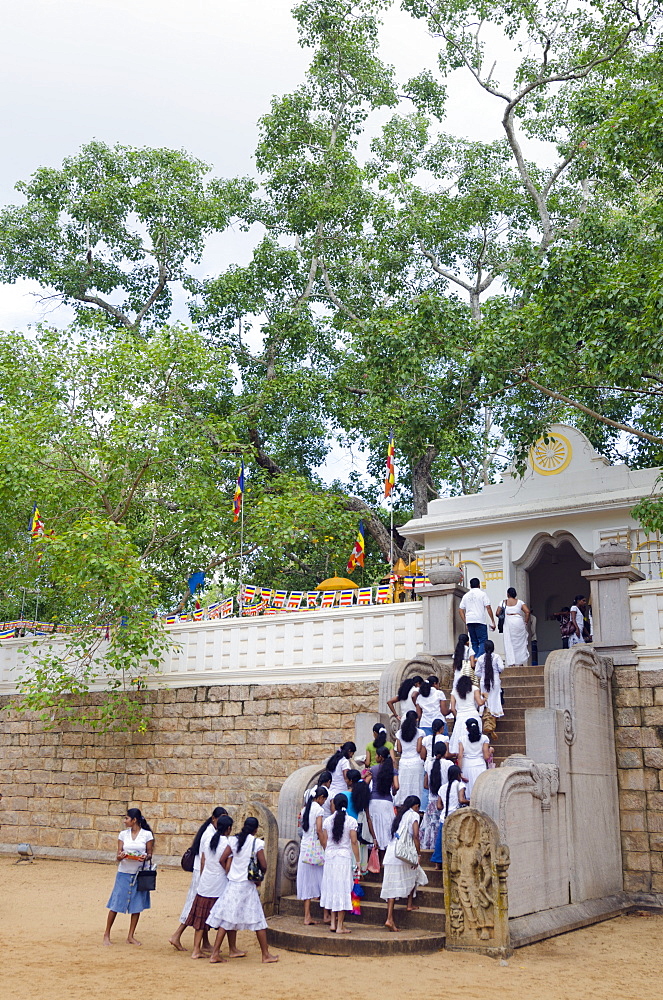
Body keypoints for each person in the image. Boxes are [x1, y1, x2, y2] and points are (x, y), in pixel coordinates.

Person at [208, 817, 278, 964]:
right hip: (247, 885)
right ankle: (265, 954)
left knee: (225, 919)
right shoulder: (256, 843)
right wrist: (259, 875)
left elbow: (222, 859)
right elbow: (263, 865)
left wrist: (229, 873)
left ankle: (215, 953)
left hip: (233, 884)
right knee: (258, 920)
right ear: (256, 829)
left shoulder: (233, 841)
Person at [170, 806, 228, 952]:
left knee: (204, 908)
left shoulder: (211, 832)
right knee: (195, 906)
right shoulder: (209, 834)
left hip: (205, 873)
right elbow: (204, 858)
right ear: (214, 818)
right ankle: (176, 935)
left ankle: (205, 942)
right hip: (203, 874)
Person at [186, 815, 236, 959]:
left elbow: (203, 860)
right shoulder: (228, 843)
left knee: (201, 918)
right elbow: (227, 865)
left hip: (206, 883)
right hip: (220, 885)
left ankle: (196, 949)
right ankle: (226, 948)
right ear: (228, 829)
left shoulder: (209, 839)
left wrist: (203, 877)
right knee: (224, 918)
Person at [104, 807, 154, 946]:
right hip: (124, 872)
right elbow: (118, 854)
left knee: (137, 905)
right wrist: (120, 856)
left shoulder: (147, 835)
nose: (124, 821)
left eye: (126, 818)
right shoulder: (123, 835)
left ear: (134, 820)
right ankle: (107, 934)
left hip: (139, 873)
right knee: (115, 902)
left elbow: (150, 854)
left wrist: (144, 857)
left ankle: (130, 935)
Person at [380, 795, 428, 931]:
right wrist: (418, 854)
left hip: (392, 852)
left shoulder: (400, 815)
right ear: (417, 806)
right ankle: (394, 915)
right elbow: (416, 835)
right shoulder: (414, 815)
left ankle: (398, 911)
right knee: (415, 872)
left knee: (393, 886)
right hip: (403, 854)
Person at [319, 793, 360, 934]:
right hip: (343, 858)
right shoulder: (351, 821)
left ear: (334, 805)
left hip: (330, 858)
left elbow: (324, 840)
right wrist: (358, 861)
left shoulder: (327, 821)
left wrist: (329, 851)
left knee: (332, 888)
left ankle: (332, 923)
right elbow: (354, 842)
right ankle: (340, 925)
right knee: (342, 889)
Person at [296, 785, 328, 925]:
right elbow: (320, 830)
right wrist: (325, 846)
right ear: (320, 798)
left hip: (305, 848)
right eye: (324, 799)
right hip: (315, 848)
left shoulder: (304, 810)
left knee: (306, 881)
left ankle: (307, 915)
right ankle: (326, 914)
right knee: (323, 880)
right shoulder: (319, 810)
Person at [430, 765, 469, 869]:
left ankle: (438, 863)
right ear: (458, 774)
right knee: (457, 839)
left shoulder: (442, 787)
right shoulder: (460, 785)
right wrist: (470, 800)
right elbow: (461, 800)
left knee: (441, 840)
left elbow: (438, 806)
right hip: (456, 817)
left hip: (444, 817)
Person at [420, 742, 452, 850]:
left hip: (432, 802)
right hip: (444, 802)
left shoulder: (429, 764)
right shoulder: (449, 765)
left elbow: (425, 785)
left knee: (431, 827)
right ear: (445, 752)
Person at [368, 745, 399, 851]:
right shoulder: (392, 770)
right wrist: (393, 791)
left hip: (374, 801)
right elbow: (397, 786)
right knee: (387, 827)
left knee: (376, 826)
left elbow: (366, 782)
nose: (375, 757)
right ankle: (385, 854)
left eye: (376, 755)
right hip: (387, 802)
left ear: (380, 757)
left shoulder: (373, 769)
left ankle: (375, 849)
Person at [474, 640, 504, 740]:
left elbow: (477, 672)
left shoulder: (480, 658)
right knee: (494, 701)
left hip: (483, 681)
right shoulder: (497, 657)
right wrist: (496, 672)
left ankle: (486, 720)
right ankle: (492, 722)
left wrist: (483, 675)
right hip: (495, 681)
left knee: (486, 701)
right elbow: (501, 668)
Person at [459, 578, 496, 658]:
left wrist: (465, 621)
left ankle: (474, 659)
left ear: (470, 585)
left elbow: (461, 610)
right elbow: (488, 607)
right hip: (480, 620)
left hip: (470, 621)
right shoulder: (482, 594)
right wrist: (492, 621)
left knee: (474, 642)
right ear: (479, 585)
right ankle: (478, 658)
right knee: (483, 641)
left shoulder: (466, 596)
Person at [448, 675, 485, 756]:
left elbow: (452, 709)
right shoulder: (474, 689)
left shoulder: (454, 691)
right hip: (473, 715)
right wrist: (485, 698)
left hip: (460, 717)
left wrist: (457, 716)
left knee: (460, 741)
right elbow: (480, 703)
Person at [394, 710, 425, 804]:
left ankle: (402, 804)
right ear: (416, 719)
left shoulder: (399, 733)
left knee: (404, 785)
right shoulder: (420, 733)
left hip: (404, 762)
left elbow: (399, 750)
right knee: (416, 786)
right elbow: (418, 749)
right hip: (416, 762)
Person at [457, 719, 490, 798]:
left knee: (469, 792)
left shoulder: (462, 739)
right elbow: (486, 756)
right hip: (480, 766)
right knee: (480, 791)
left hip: (467, 767)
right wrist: (491, 750)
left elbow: (460, 756)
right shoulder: (484, 738)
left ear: (467, 729)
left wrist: (459, 771)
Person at [501, 587, 530, 667]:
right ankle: (520, 663)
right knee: (520, 643)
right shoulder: (520, 602)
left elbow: (497, 612)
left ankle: (512, 663)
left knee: (509, 642)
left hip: (508, 623)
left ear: (508, 594)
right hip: (518, 622)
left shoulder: (503, 602)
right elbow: (527, 611)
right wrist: (526, 622)